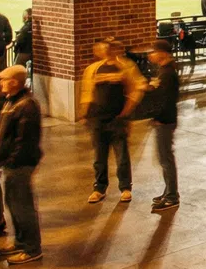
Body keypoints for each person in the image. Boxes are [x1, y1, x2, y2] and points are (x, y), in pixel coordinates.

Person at [78, 38, 144, 203]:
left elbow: (136, 88)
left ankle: (125, 187)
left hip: (117, 118)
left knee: (121, 155)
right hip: (98, 119)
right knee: (99, 156)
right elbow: (88, 92)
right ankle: (99, 188)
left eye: (109, 47)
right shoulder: (93, 69)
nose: (104, 50)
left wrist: (126, 112)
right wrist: (85, 114)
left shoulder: (126, 67)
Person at [0, 66, 43, 265]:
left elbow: (25, 141)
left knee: (23, 206)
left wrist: (12, 160)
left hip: (20, 164)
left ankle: (32, 248)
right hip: (11, 164)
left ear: (14, 81)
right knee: (13, 204)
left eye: (4, 79)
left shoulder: (26, 105)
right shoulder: (11, 101)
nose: (0, 83)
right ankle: (20, 242)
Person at [143, 41, 182, 212]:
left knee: (165, 158)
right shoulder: (165, 71)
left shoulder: (167, 74)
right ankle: (168, 191)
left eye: (154, 52)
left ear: (163, 53)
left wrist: (158, 117)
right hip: (166, 119)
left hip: (165, 120)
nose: (150, 55)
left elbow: (166, 100)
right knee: (164, 158)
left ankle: (172, 196)